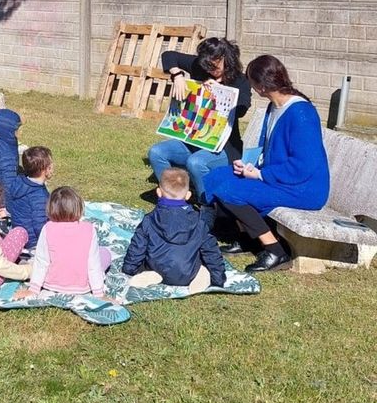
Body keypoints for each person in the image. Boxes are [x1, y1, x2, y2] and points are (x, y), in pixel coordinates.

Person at [203, 55, 330, 272]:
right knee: (216, 177)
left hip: (303, 188)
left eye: (251, 82)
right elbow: (270, 151)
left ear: (261, 86)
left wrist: (260, 175)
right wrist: (250, 167)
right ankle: (247, 239)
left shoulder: (301, 113)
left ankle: (276, 251)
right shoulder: (274, 107)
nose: (251, 87)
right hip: (279, 177)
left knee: (230, 191)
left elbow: (303, 166)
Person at [147, 37, 251, 203]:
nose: (211, 71)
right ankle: (173, 201)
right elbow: (169, 55)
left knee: (195, 162)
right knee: (156, 152)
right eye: (207, 67)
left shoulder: (240, 80)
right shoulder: (200, 67)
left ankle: (207, 206)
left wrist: (221, 92)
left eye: (215, 66)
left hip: (224, 147)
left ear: (225, 58)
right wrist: (177, 75)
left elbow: (242, 108)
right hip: (193, 139)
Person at [122, 167, 226, 292]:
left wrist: (129, 269)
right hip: (189, 271)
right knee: (202, 265)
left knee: (148, 263)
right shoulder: (199, 222)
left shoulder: (149, 220)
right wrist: (218, 278)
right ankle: (200, 275)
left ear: (158, 192)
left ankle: (151, 274)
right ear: (188, 195)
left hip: (156, 267)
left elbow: (137, 247)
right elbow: (211, 251)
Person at [15, 186, 112, 299]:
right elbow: (93, 264)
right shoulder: (89, 229)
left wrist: (34, 289)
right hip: (81, 286)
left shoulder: (48, 228)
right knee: (104, 253)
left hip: (52, 284)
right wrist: (99, 293)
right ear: (79, 207)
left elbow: (41, 260)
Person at [6, 146, 53, 251]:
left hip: (19, 234)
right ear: (44, 170)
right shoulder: (39, 196)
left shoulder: (19, 181)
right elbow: (40, 225)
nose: (52, 167)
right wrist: (49, 244)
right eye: (50, 165)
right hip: (33, 242)